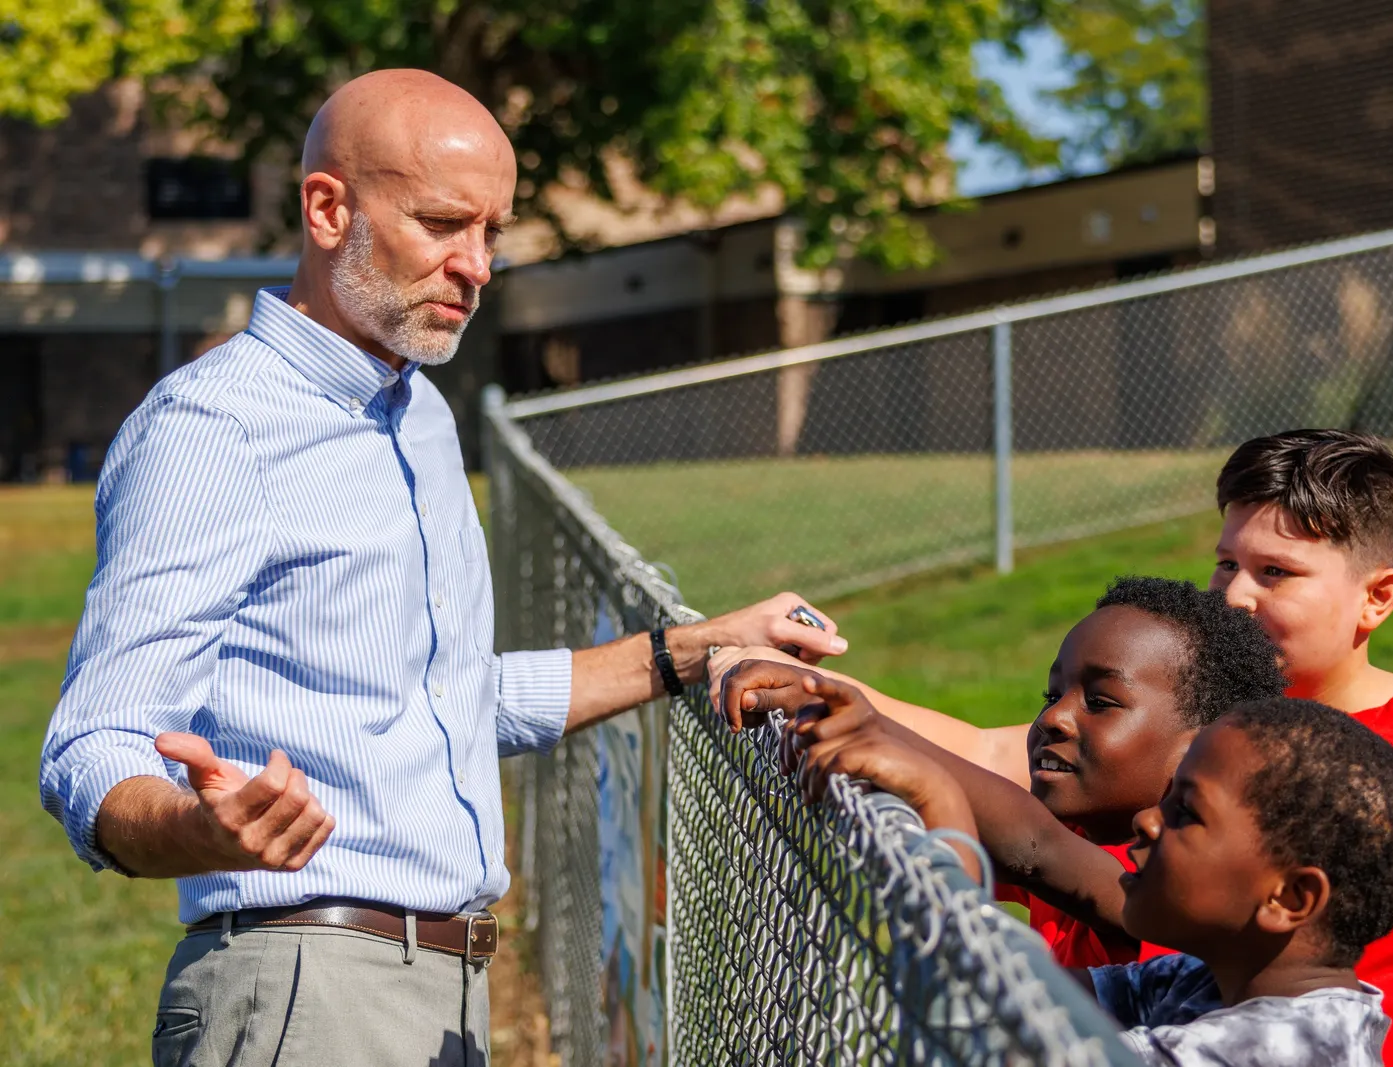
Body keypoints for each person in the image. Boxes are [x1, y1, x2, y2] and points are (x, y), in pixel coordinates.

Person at [37, 69, 846, 1067]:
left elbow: (444, 698)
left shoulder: (417, 411)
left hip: (442, 987)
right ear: (328, 208)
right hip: (305, 990)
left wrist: (691, 647)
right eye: (441, 224)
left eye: (494, 232)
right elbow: (90, 741)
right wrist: (197, 829)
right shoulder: (212, 429)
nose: (476, 265)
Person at [715, 428, 1393, 1067]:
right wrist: (833, 696)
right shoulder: (1185, 725)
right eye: (1226, 563)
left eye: (1275, 573)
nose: (1237, 595)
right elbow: (1003, 770)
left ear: (1378, 597)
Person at [734, 668, 1393, 1067]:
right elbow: (1007, 999)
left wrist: (940, 804)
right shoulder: (1204, 980)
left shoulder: (1273, 1049)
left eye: (1185, 813)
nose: (1146, 821)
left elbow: (998, 1042)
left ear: (1288, 895)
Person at [725, 576, 1285, 968]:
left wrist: (870, 730)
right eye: (1052, 693)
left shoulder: (1186, 890)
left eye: (1101, 702)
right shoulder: (1082, 832)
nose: (1053, 718)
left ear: (1200, 747)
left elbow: (1034, 845)